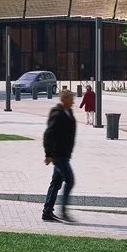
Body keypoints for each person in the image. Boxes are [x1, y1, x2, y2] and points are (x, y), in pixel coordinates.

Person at [42, 89, 77, 222]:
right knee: (70, 180)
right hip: (58, 155)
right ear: (64, 100)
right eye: (71, 99)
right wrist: (48, 154)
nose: (73, 101)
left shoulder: (68, 112)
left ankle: (47, 212)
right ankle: (63, 211)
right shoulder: (57, 114)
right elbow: (48, 134)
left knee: (56, 183)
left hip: (65, 154)